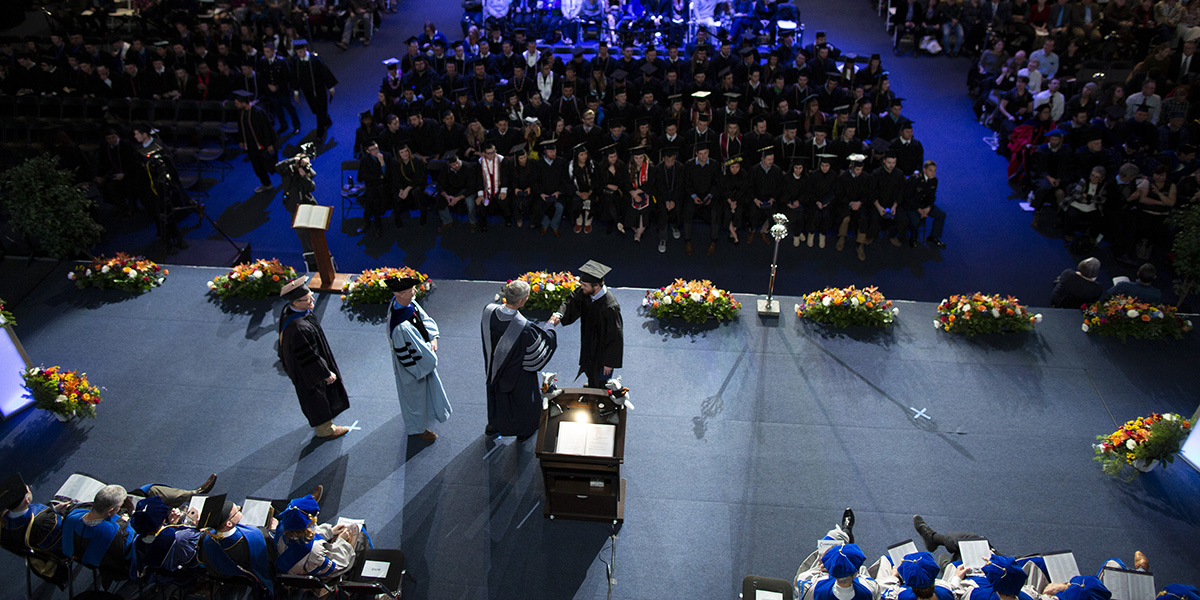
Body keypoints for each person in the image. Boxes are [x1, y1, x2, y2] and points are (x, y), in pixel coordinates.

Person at [481, 280, 558, 440]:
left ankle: (493, 425)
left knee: (495, 392)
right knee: (522, 401)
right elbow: (538, 352)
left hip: (493, 367)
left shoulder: (488, 311)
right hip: (517, 374)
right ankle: (524, 430)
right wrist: (550, 326)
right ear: (522, 301)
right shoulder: (524, 328)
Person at [277, 277, 351, 440]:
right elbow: (309, 355)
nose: (312, 300)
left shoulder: (291, 311)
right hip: (308, 371)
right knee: (316, 396)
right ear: (295, 302)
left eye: (311, 295)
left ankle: (322, 422)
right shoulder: (298, 328)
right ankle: (325, 429)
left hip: (303, 365)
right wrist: (325, 372)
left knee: (315, 397)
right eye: (307, 299)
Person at [387, 276, 452, 443]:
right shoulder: (401, 327)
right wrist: (426, 363)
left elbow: (424, 320)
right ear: (399, 294)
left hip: (422, 361)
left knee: (423, 395)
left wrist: (433, 337)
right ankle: (416, 430)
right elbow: (407, 355)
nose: (415, 292)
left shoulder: (408, 305)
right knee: (413, 399)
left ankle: (424, 418)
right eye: (411, 291)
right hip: (413, 368)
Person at [549, 260, 624, 389]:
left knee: (601, 378)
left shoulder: (610, 307)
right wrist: (559, 315)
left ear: (596, 286)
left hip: (602, 351)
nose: (581, 287)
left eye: (584, 285)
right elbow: (571, 301)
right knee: (589, 368)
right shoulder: (586, 292)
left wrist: (609, 363)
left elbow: (615, 336)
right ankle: (592, 385)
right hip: (589, 343)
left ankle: (599, 400)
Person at [273, 491, 368, 581]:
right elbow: (339, 565)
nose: (317, 514)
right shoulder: (314, 550)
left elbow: (305, 534)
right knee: (360, 536)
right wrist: (341, 541)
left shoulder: (283, 526)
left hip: (291, 566)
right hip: (308, 574)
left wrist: (329, 532)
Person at [197, 500, 276, 595]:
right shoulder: (257, 536)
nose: (239, 508)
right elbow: (273, 559)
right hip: (252, 588)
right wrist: (274, 529)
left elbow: (201, 563)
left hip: (222, 588)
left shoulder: (205, 538)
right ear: (229, 524)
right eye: (237, 511)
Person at [289, 40, 338, 143]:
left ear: (305, 49)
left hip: (319, 90)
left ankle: (320, 133)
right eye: (298, 53)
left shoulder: (315, 60)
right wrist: (296, 92)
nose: (300, 55)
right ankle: (327, 120)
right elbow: (294, 77)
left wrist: (331, 87)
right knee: (316, 110)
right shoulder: (296, 61)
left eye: (301, 52)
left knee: (320, 112)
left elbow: (325, 72)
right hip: (308, 91)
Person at [233, 90, 279, 194]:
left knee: (270, 165)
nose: (236, 105)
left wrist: (269, 144)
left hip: (262, 145)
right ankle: (267, 184)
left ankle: (287, 174)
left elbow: (266, 129)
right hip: (251, 146)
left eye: (237, 103)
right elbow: (241, 127)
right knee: (258, 167)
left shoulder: (257, 112)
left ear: (243, 102)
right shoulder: (241, 113)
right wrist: (241, 140)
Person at [1099, 263, 1163, 303]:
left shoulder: (1122, 286)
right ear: (1154, 277)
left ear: (1138, 273)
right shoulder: (1157, 295)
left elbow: (1106, 297)